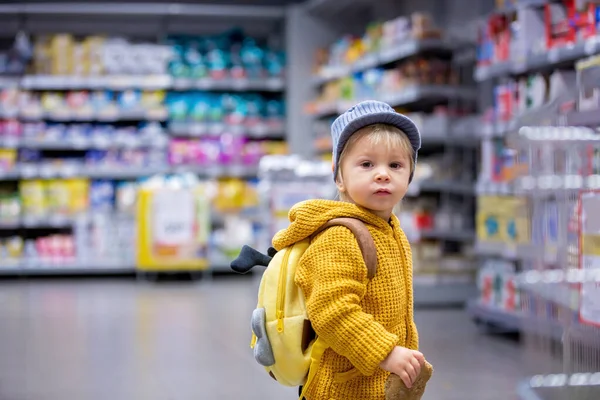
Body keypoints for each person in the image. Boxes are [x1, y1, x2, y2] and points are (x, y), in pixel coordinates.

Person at [272, 100, 425, 399]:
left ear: (409, 176)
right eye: (367, 164)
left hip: (378, 383)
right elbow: (332, 311)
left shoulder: (390, 230)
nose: (382, 174)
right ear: (339, 176)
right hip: (344, 389)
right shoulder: (340, 236)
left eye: (395, 165)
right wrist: (386, 352)